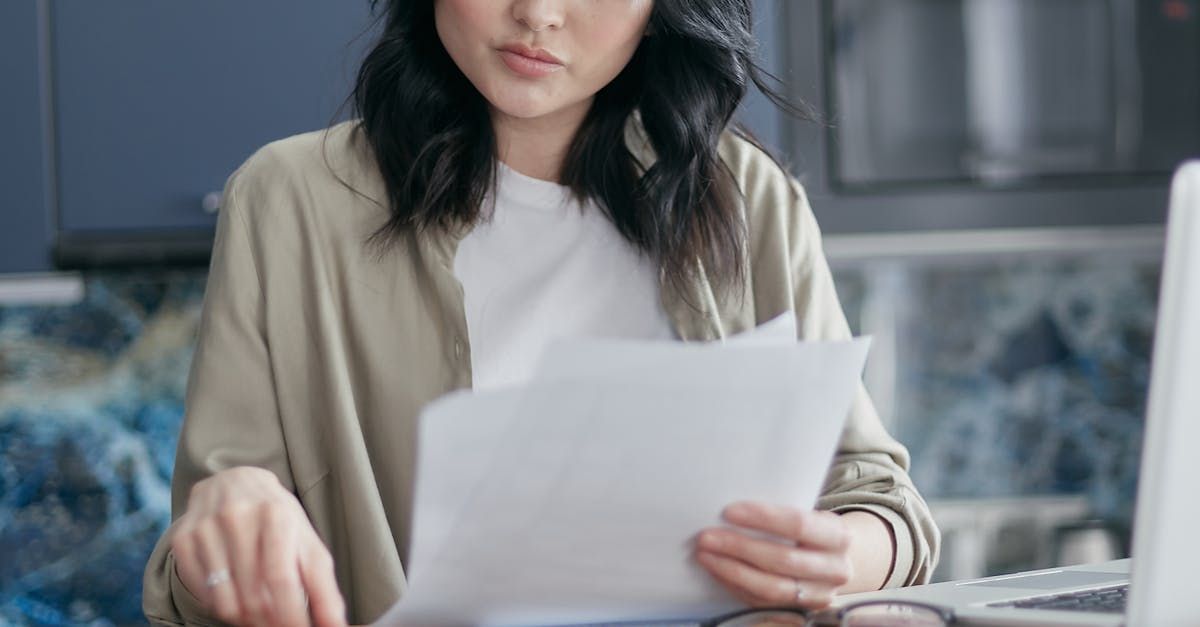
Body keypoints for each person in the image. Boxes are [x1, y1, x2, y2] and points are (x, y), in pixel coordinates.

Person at [143, 1, 940, 625]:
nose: (539, 14)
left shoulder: (746, 198)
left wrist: (847, 554)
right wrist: (227, 520)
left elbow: (882, 504)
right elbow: (187, 589)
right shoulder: (289, 200)